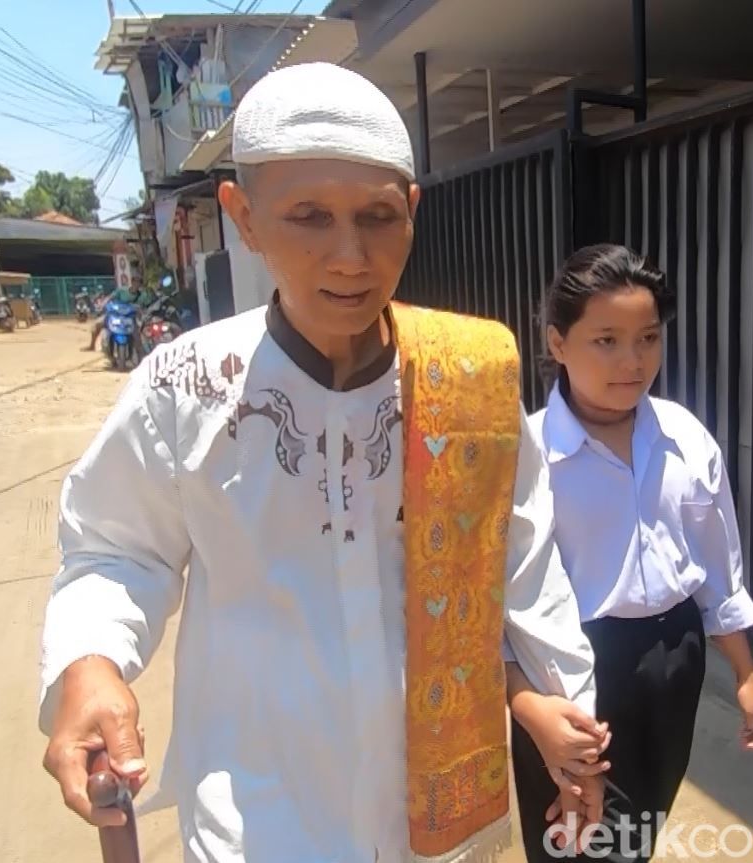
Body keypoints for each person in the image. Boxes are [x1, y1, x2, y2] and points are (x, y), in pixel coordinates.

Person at [39, 62, 607, 863]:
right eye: (309, 216)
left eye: (377, 216)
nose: (350, 256)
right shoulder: (184, 385)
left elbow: (524, 573)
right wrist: (90, 662)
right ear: (243, 216)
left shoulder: (470, 376)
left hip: (437, 822)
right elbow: (113, 549)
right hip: (258, 818)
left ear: (411, 212)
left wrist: (569, 723)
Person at [511, 244, 753, 862]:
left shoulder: (684, 437)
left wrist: (746, 675)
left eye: (648, 338)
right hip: (570, 670)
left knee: (639, 830)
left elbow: (717, 569)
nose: (633, 361)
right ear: (558, 342)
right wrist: (529, 707)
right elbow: (501, 605)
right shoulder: (526, 456)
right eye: (606, 341)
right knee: (577, 843)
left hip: (674, 659)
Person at [85, 278, 143, 352]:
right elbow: (110, 297)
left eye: (138, 283)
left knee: (137, 337)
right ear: (132, 282)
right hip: (115, 315)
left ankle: (140, 355)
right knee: (96, 325)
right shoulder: (122, 290)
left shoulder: (140, 295)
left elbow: (141, 306)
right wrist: (103, 304)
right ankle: (92, 345)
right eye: (135, 282)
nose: (136, 284)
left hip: (129, 318)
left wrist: (139, 310)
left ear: (140, 285)